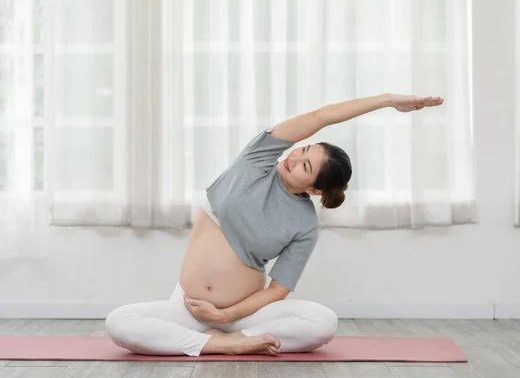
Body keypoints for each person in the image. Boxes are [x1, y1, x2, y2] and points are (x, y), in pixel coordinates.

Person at [105, 93, 444, 357]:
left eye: (305, 165)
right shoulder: (257, 159)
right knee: (119, 322)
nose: (294, 157)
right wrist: (386, 100)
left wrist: (226, 318)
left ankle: (229, 338)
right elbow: (320, 117)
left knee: (323, 322)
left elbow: (277, 292)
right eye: (303, 149)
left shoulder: (306, 225)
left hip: (241, 315)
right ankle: (221, 345)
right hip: (189, 307)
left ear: (313, 189)